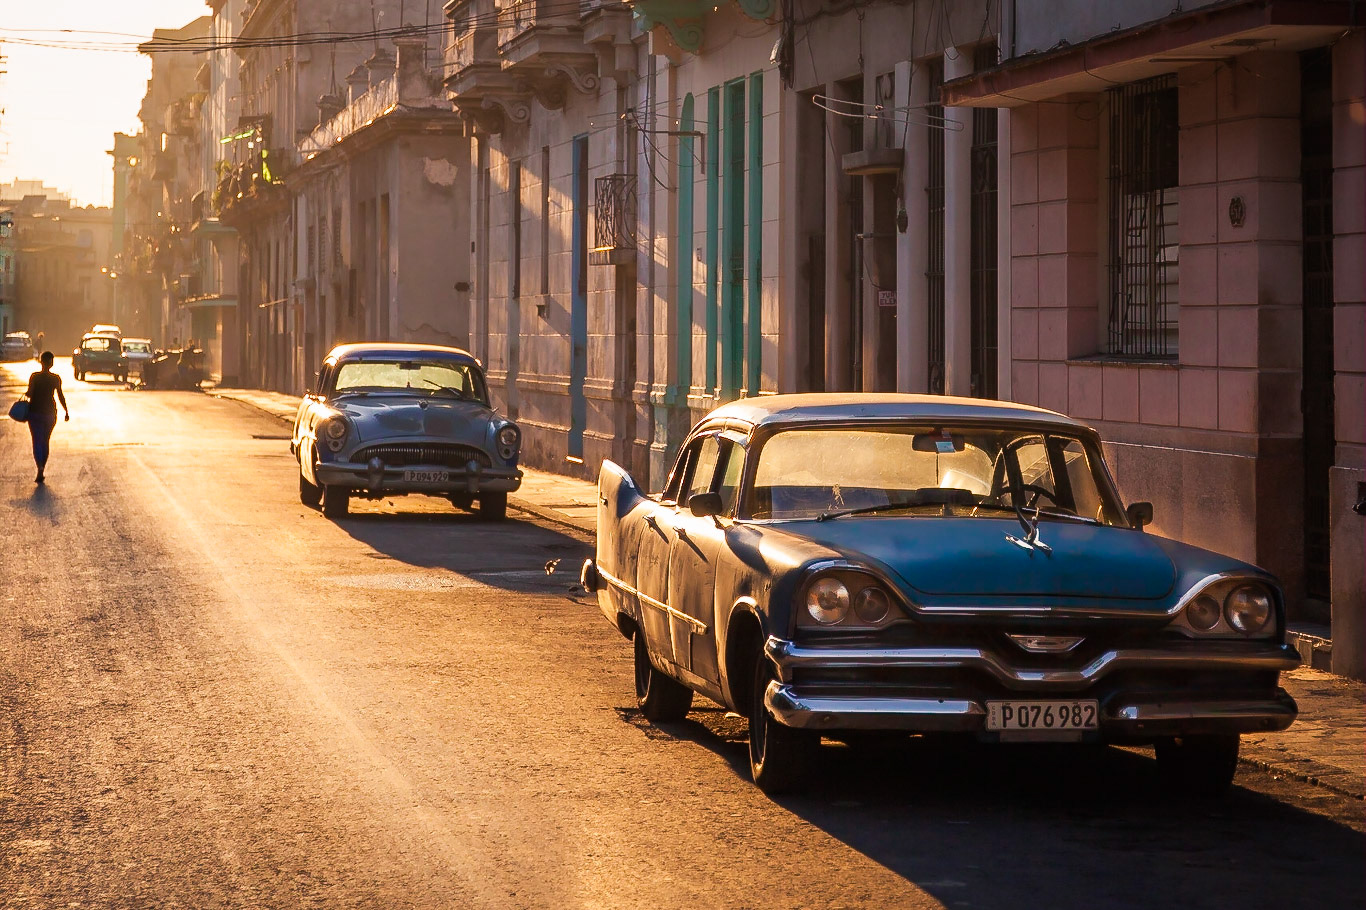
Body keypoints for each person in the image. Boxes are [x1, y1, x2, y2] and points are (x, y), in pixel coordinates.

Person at [25, 351, 69, 483]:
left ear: (41, 361)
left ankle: (40, 467)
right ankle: (42, 467)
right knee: (45, 441)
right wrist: (66, 410)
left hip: (35, 412)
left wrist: (28, 394)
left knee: (37, 441)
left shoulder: (34, 377)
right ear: (52, 362)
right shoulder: (56, 378)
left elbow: (30, 393)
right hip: (50, 413)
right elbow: (60, 396)